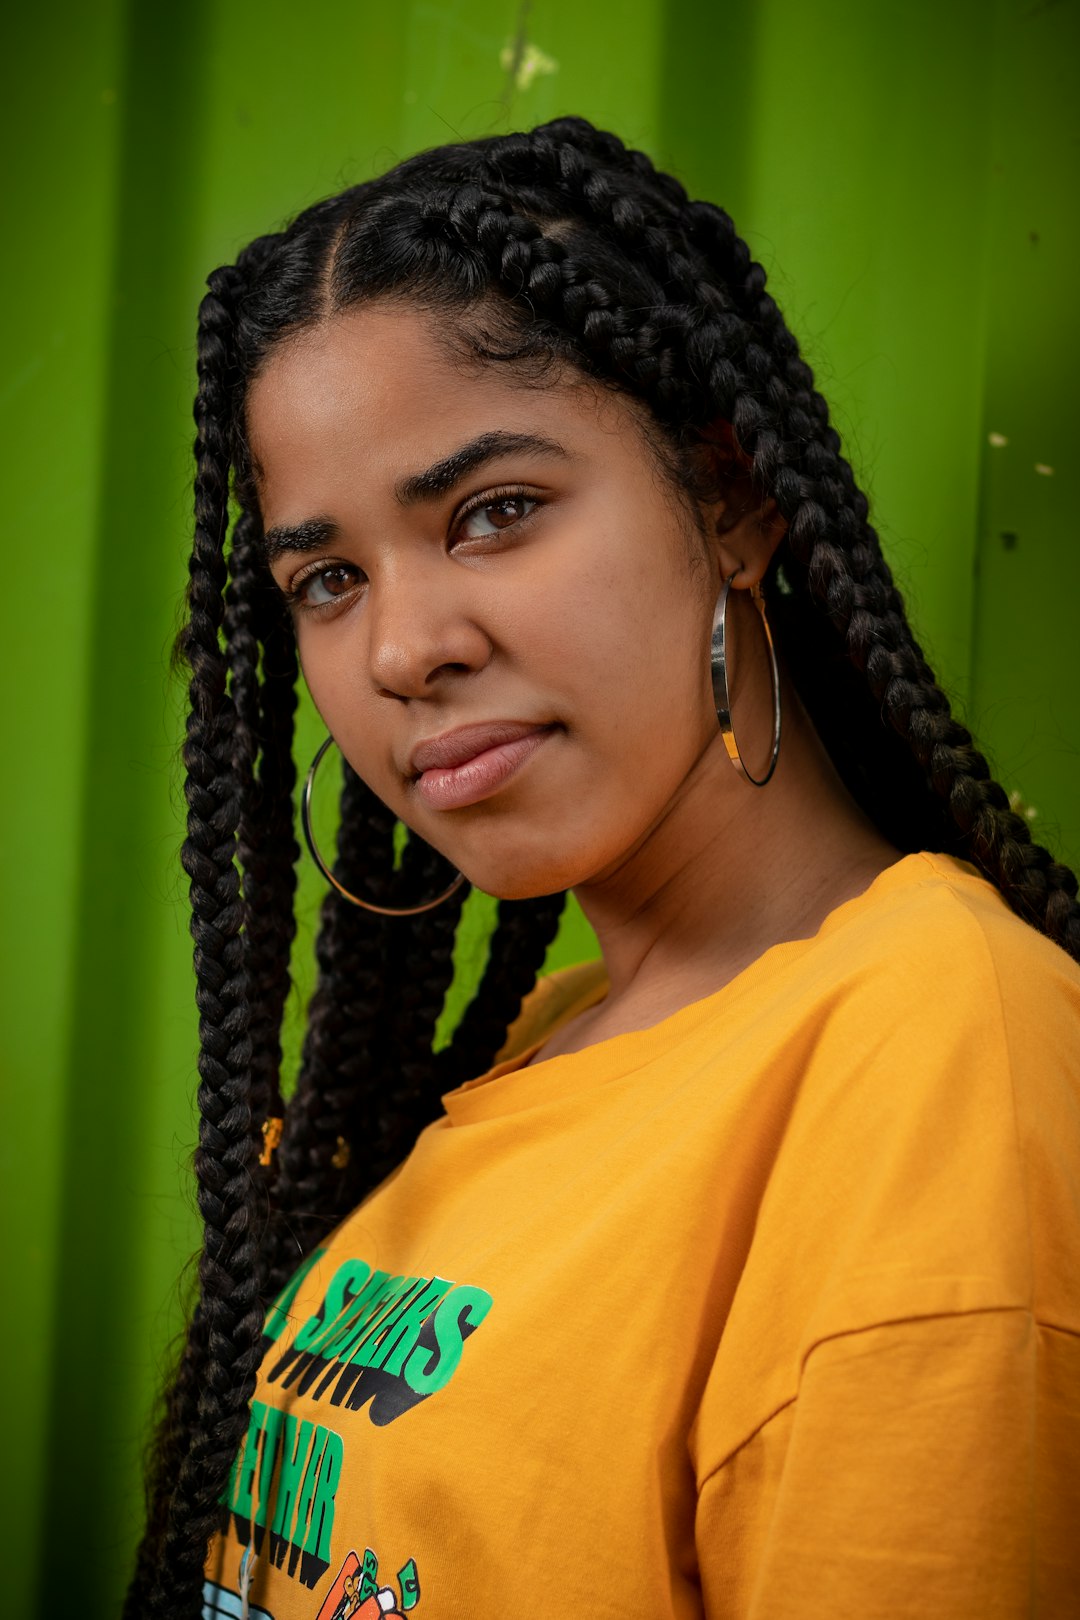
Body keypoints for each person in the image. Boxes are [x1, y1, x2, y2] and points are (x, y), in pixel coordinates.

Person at [126, 118, 1080, 1619]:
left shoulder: (940, 1050)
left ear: (732, 499)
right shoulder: (533, 1045)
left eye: (493, 513)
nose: (402, 648)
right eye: (327, 578)